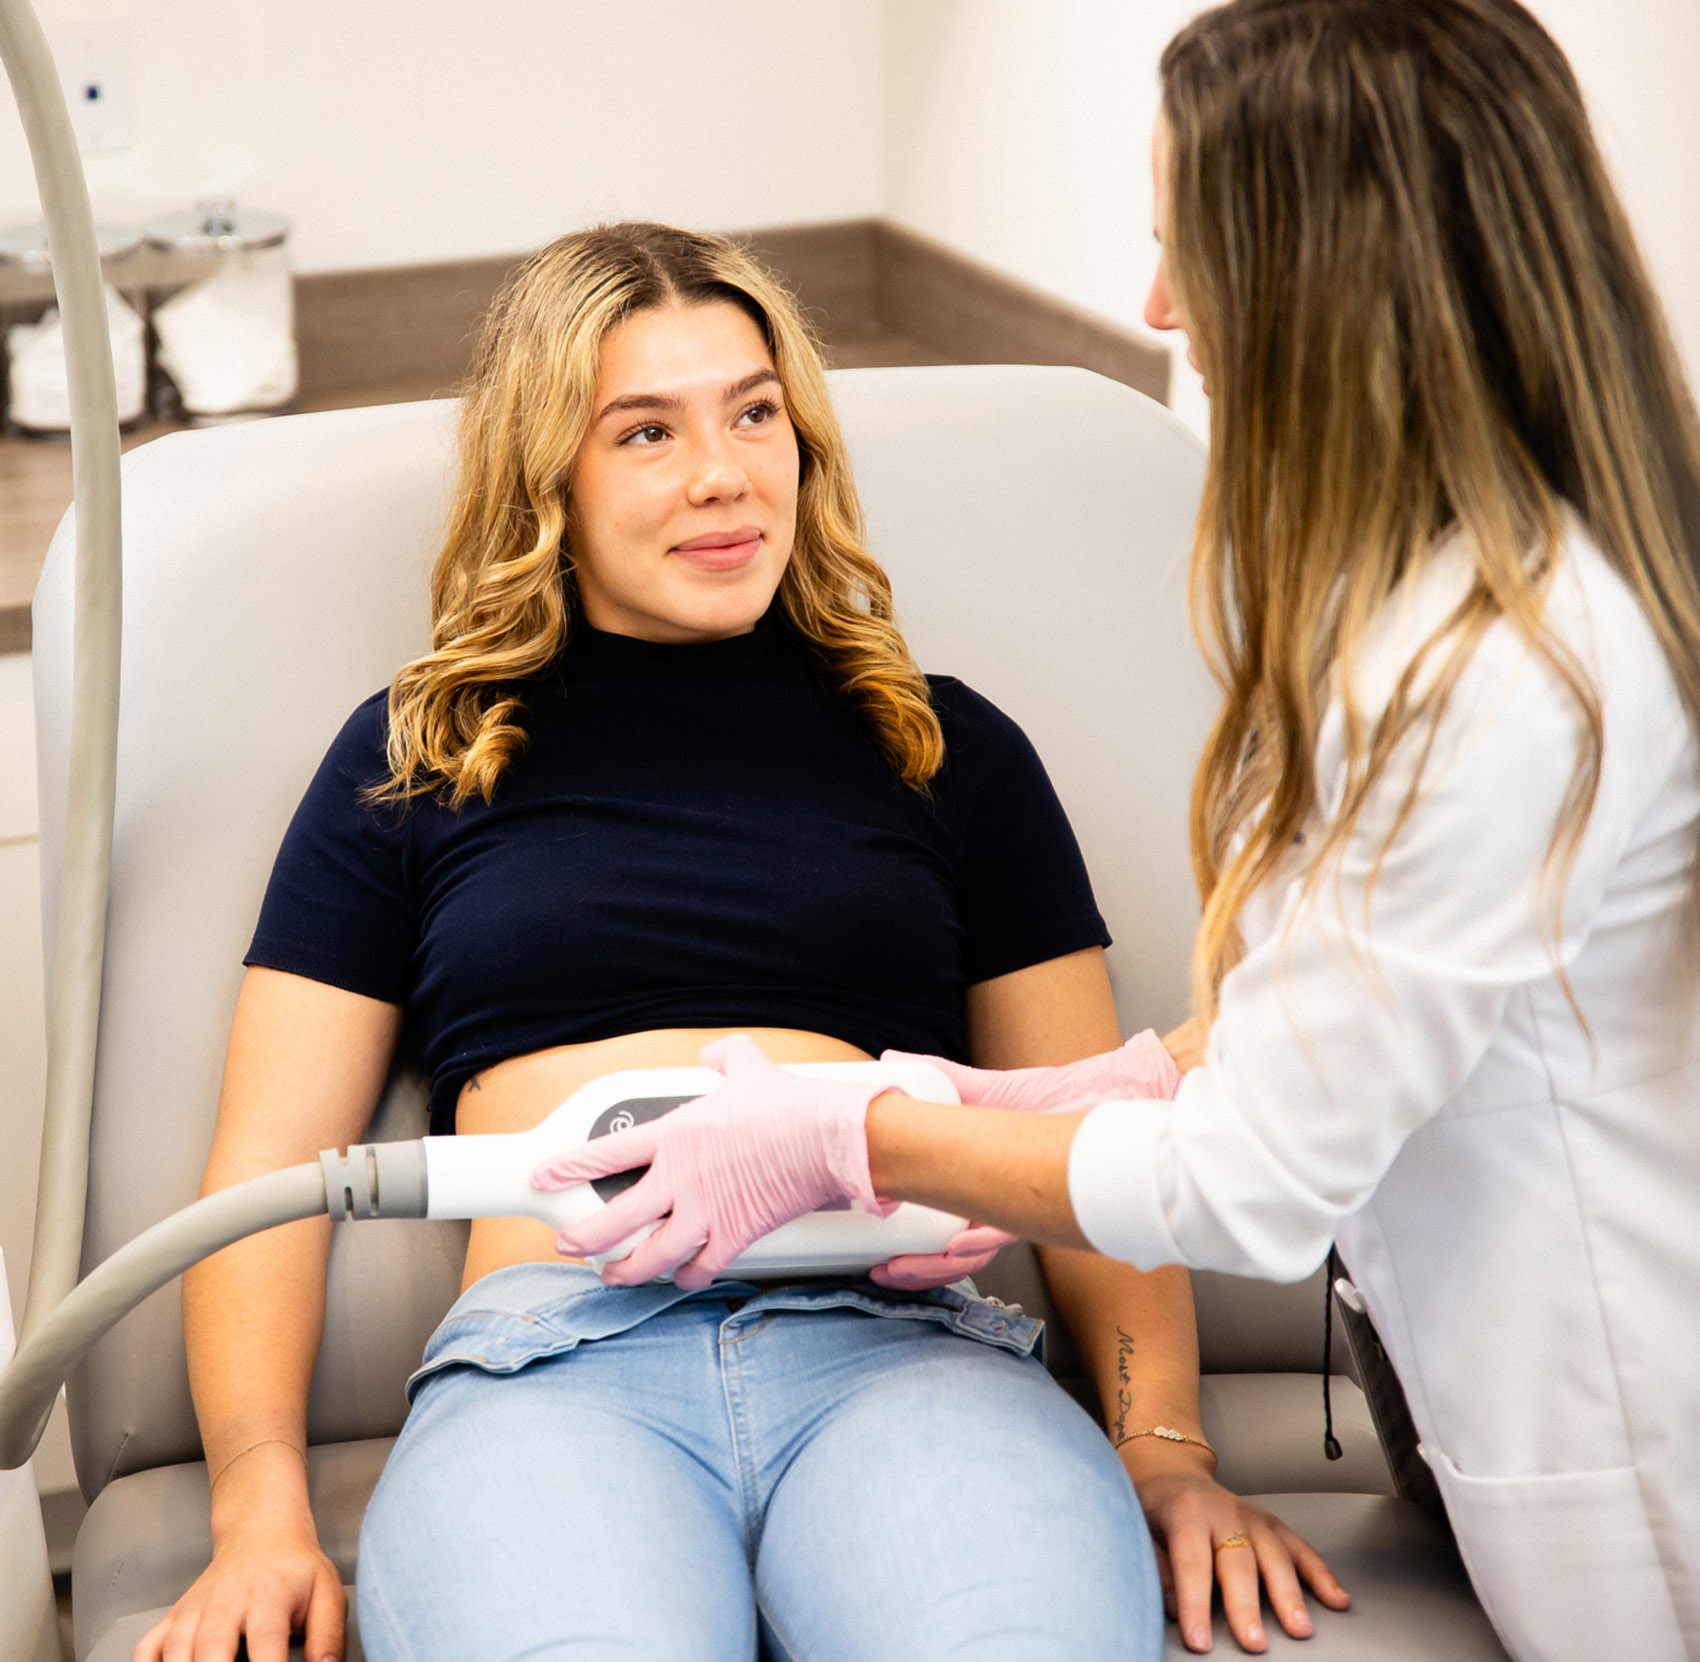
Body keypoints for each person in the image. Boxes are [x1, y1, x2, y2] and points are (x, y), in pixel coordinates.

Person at [544, 8, 1700, 1661]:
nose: (1159, 302)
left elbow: (1251, 1181)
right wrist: (1058, 1096)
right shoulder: (1473, 593)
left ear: (1325, 265)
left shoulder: (1501, 674)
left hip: (1629, 1429)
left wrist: (864, 1132)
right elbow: (1336, 1003)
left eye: (1183, 243)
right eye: (642, 428)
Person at [136, 222, 1340, 1662]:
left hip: (906, 1359)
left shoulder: (945, 747)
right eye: (646, 430)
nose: (725, 472)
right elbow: (267, 1170)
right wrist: (257, 1510)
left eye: (755, 411)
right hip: (554, 1362)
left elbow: (1102, 1129)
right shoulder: (419, 756)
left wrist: (1164, 1448)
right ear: (549, 479)